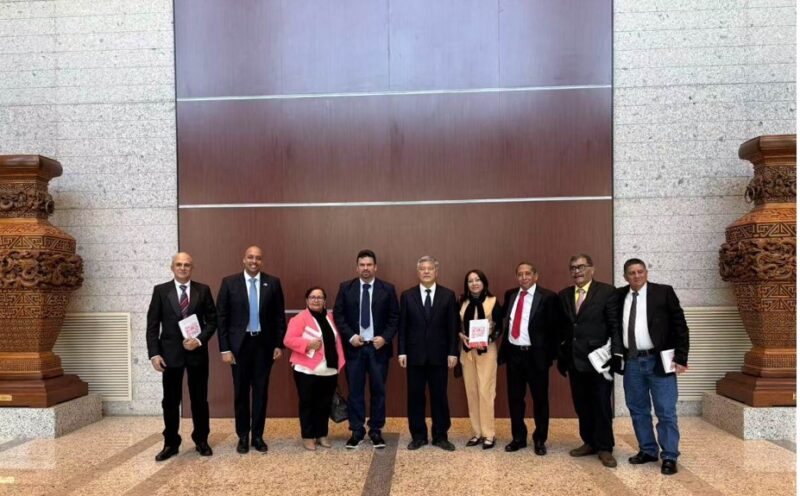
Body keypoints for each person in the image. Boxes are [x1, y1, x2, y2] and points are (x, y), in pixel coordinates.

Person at [612, 258, 689, 475]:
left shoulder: (663, 292)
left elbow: (680, 326)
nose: (636, 276)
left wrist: (681, 357)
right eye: (632, 273)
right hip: (633, 362)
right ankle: (647, 450)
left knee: (665, 410)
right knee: (637, 408)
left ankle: (670, 455)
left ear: (646, 272)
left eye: (640, 271)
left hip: (659, 360)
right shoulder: (618, 296)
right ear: (625, 276)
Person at [146, 252, 217, 461]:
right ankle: (171, 443)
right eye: (179, 264)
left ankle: (201, 440)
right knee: (170, 401)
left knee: (199, 400)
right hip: (169, 355)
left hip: (197, 354)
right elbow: (152, 325)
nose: (183, 268)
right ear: (172, 267)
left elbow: (213, 321)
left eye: (187, 265)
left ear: (192, 268)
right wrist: (154, 354)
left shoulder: (203, 290)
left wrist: (200, 340)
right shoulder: (160, 291)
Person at [217, 245, 286, 454]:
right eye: (250, 257)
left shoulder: (272, 283)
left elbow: (279, 317)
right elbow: (222, 318)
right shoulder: (229, 283)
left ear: (262, 261)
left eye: (258, 258)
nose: (254, 261)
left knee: (261, 392)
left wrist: (278, 344)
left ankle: (257, 436)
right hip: (239, 346)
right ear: (244, 259)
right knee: (240, 392)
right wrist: (225, 349)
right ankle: (243, 436)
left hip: (264, 346)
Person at [556, 253, 621, 468]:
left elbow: (614, 325)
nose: (577, 271)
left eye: (581, 267)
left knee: (601, 404)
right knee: (581, 404)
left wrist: (617, 354)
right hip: (574, 360)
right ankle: (589, 442)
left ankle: (605, 447)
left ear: (592, 269)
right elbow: (563, 328)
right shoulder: (564, 295)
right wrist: (561, 355)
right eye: (573, 268)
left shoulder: (607, 292)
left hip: (599, 361)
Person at [333, 249, 399, 449]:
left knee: (378, 391)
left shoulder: (388, 289)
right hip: (355, 349)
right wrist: (351, 336)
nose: (365, 268)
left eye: (369, 265)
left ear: (375, 267)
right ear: (357, 268)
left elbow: (394, 317)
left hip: (378, 349)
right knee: (355, 391)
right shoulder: (346, 288)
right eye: (362, 265)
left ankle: (376, 430)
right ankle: (357, 430)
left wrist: (385, 338)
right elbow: (339, 315)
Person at [398, 255, 459, 451]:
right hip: (414, 356)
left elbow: (452, 327)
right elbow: (403, 326)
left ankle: (440, 436)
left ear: (436, 271)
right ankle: (418, 436)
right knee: (415, 397)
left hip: (439, 356)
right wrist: (402, 352)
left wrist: (453, 352)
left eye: (430, 268)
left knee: (439, 397)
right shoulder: (407, 295)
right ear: (418, 272)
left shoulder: (448, 295)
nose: (426, 271)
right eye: (422, 268)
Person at [498, 262, 558, 455]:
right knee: (515, 399)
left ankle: (540, 439)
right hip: (514, 354)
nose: (524, 277)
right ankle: (518, 437)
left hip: (536, 356)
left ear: (535, 276)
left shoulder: (548, 297)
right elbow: (502, 319)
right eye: (520, 274)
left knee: (540, 400)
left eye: (527, 273)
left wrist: (548, 356)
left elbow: (554, 329)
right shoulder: (510, 295)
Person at [284, 287, 346, 450]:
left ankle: (321, 434)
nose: (316, 300)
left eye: (320, 297)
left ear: (325, 301)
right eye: (312, 297)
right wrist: (307, 344)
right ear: (307, 300)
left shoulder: (331, 317)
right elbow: (288, 340)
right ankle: (308, 436)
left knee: (324, 404)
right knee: (308, 404)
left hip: (329, 369)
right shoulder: (300, 318)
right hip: (307, 370)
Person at [457, 269, 504, 449]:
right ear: (467, 285)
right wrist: (461, 335)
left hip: (486, 352)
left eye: (478, 280)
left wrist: (488, 338)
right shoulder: (462, 302)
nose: (474, 283)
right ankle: (476, 432)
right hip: (468, 352)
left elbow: (499, 327)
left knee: (486, 392)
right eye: (470, 281)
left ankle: (489, 434)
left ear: (484, 282)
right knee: (472, 391)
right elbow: (457, 325)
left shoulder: (493, 301)